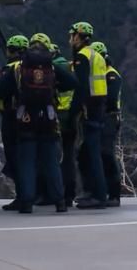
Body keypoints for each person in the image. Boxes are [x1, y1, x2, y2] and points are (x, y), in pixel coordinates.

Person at [0, 36, 77, 213]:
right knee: (51, 160)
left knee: (27, 161)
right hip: (48, 118)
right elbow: (73, 82)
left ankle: (26, 203)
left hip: (26, 118)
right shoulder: (51, 67)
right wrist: (54, 87)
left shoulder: (17, 69)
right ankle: (59, 201)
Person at [67, 22, 110, 209]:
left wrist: (72, 112)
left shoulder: (83, 56)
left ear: (78, 36)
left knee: (92, 153)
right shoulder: (97, 55)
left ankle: (99, 196)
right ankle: (94, 192)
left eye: (71, 35)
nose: (70, 39)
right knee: (89, 152)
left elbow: (81, 87)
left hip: (89, 108)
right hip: (99, 106)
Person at [90, 41, 123, 207]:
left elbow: (110, 99)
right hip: (99, 117)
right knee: (97, 154)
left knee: (107, 153)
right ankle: (99, 190)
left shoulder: (112, 75)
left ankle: (115, 194)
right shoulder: (102, 73)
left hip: (109, 117)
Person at [0, 35, 29, 211]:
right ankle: (31, 194)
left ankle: (21, 197)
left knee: (14, 156)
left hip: (11, 117)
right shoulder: (29, 67)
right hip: (28, 117)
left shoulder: (10, 68)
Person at [50, 42, 80, 206]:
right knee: (69, 156)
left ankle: (56, 193)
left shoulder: (53, 68)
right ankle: (70, 194)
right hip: (72, 115)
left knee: (54, 156)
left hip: (58, 115)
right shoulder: (70, 65)